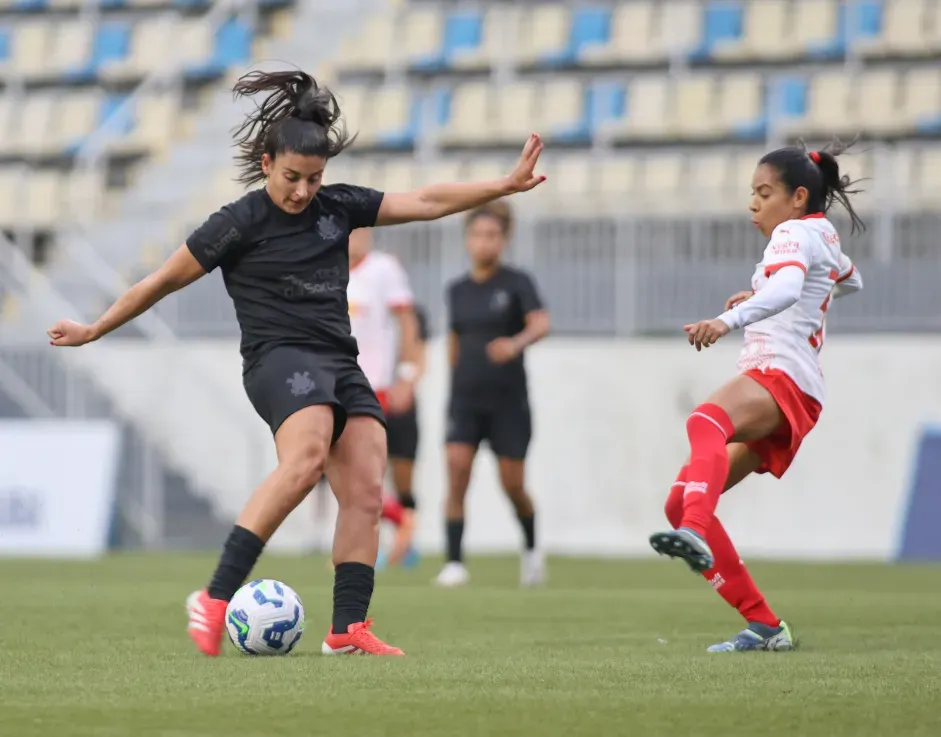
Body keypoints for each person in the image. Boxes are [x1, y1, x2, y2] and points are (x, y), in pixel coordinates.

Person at [46, 69, 546, 657]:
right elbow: (160, 282)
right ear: (265, 164)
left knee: (364, 489)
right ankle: (213, 597)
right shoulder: (236, 223)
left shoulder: (338, 208)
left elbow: (428, 201)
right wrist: (95, 328)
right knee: (307, 456)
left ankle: (347, 628)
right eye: (291, 177)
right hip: (277, 359)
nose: (303, 191)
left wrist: (504, 186)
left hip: (341, 360)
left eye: (313, 178)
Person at [648, 142, 864, 652]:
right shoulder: (822, 237)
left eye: (764, 193)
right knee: (678, 502)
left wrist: (728, 319)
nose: (753, 204)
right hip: (796, 390)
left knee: (705, 421)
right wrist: (777, 293)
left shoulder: (792, 232)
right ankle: (767, 626)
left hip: (780, 375)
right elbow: (850, 281)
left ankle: (697, 532)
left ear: (797, 198)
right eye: (752, 194)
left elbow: (791, 289)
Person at [435, 200, 551, 588]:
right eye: (478, 235)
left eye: (492, 235)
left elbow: (540, 323)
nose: (485, 242)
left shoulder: (517, 283)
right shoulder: (457, 290)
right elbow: (453, 342)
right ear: (468, 240)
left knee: (513, 484)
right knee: (456, 471)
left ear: (503, 240)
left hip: (508, 402)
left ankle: (532, 549)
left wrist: (513, 345)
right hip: (465, 401)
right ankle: (454, 562)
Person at [343, 227, 426, 568]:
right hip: (339, 386)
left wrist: (407, 376)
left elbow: (407, 324)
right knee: (352, 471)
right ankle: (389, 527)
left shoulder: (383, 269)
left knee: (368, 471)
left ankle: (396, 529)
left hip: (374, 385)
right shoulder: (326, 270)